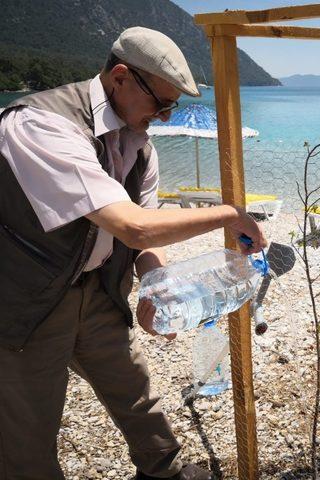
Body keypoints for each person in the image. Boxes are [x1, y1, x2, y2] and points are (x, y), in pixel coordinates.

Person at [0, 27, 266, 480]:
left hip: (97, 290)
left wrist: (156, 287)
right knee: (28, 430)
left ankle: (163, 471)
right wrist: (227, 215)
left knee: (133, 389)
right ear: (120, 77)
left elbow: (144, 241)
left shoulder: (140, 146)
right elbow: (133, 227)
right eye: (159, 103)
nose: (163, 117)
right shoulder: (40, 125)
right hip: (27, 299)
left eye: (172, 108)